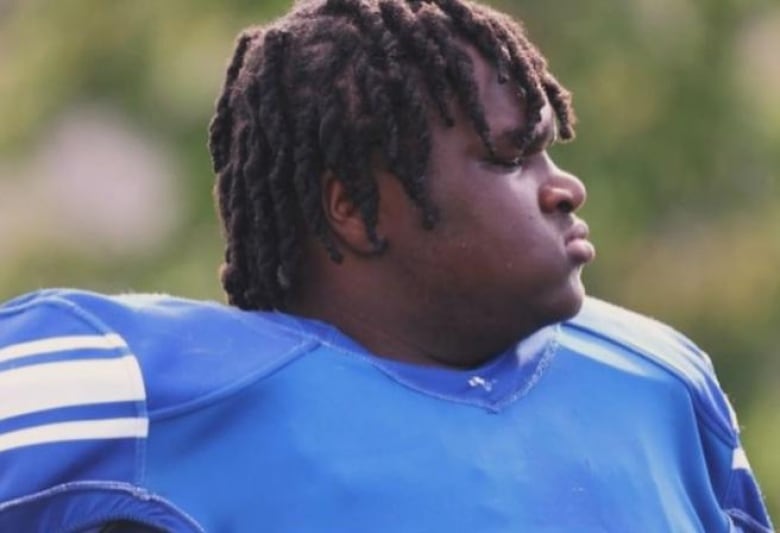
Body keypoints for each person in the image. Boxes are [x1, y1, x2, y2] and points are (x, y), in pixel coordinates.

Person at [0, 0, 773, 531]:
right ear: (358, 208)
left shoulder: (662, 379)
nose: (564, 188)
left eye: (548, 151)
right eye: (509, 158)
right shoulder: (134, 386)